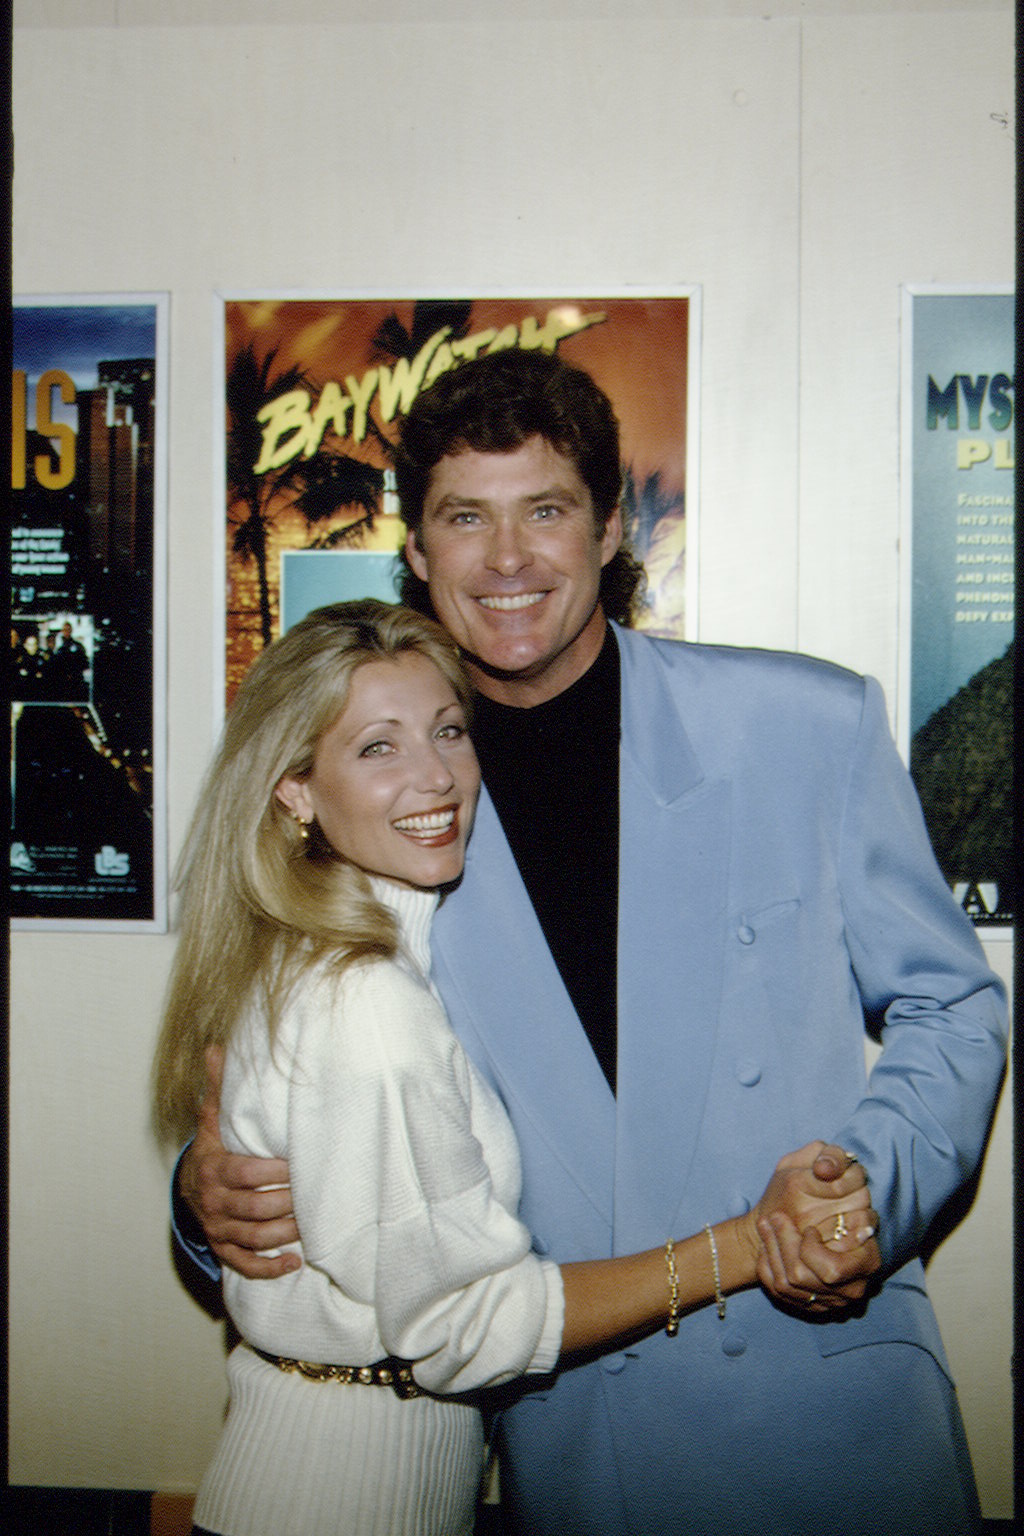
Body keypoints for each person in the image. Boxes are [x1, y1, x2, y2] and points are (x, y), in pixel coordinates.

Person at [177, 352, 1008, 1535]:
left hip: (824, 1408)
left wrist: (868, 1186)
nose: (507, 561)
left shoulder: (802, 724)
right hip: (580, 1445)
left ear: (613, 529)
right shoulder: (381, 797)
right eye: (466, 517)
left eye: (547, 511)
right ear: (415, 549)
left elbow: (952, 1003)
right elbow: (303, 1064)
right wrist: (209, 1191)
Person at [154, 598, 873, 1536]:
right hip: (338, 1499)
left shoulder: (329, 954)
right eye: (378, 747)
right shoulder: (366, 1004)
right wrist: (743, 1246)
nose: (436, 776)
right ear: (295, 788)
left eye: (450, 731)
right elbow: (465, 1328)